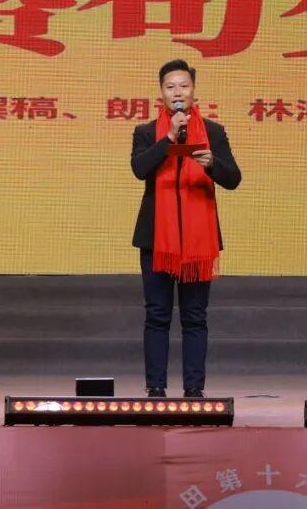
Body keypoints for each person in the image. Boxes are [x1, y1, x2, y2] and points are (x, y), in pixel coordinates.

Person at [130, 59, 241, 398]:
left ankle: (194, 390)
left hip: (198, 241)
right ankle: (156, 389)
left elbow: (233, 178)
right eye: (170, 87)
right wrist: (167, 138)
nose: (177, 93)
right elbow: (139, 168)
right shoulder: (146, 132)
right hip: (157, 240)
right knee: (157, 315)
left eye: (183, 86)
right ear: (161, 93)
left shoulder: (214, 132)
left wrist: (213, 165)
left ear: (194, 91)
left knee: (194, 317)